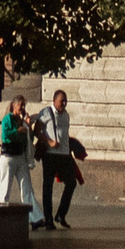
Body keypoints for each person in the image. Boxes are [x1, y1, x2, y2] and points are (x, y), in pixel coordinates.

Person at [39, 89, 80, 228]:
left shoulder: (66, 115)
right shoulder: (46, 113)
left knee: (71, 182)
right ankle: (48, 218)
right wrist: (49, 141)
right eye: (61, 100)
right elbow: (37, 130)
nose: (64, 103)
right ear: (54, 100)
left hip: (64, 155)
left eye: (65, 100)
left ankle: (61, 214)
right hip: (50, 155)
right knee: (48, 186)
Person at [0, 94, 32, 208]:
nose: (22, 108)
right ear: (13, 106)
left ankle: (33, 216)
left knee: (26, 186)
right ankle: (1, 211)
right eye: (20, 105)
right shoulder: (8, 119)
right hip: (9, 155)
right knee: (5, 186)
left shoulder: (21, 121)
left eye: (23, 106)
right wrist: (17, 131)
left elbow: (27, 138)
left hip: (20, 156)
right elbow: (5, 135)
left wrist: (27, 126)